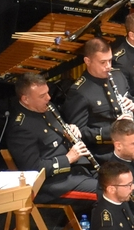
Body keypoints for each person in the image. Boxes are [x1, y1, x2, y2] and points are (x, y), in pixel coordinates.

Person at [6, 73, 98, 205]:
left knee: (119, 182)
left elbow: (56, 135)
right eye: (42, 96)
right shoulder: (20, 128)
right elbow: (33, 169)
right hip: (53, 185)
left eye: (48, 93)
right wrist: (68, 159)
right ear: (26, 99)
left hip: (75, 172)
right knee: (109, 192)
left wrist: (69, 130)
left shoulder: (49, 108)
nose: (48, 98)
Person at [63, 38, 134, 154]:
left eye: (110, 60)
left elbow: (131, 99)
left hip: (132, 141)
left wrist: (133, 108)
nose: (108, 66)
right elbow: (80, 133)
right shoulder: (79, 91)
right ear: (87, 61)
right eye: (103, 62)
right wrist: (113, 131)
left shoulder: (118, 75)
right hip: (106, 151)